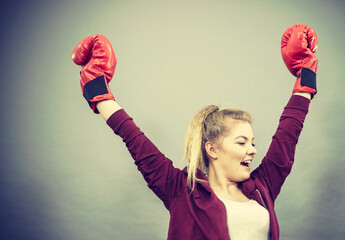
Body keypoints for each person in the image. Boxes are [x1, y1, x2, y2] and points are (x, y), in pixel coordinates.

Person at [71, 24, 318, 240]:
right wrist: (97, 89)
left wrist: (305, 73)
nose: (253, 150)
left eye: (252, 142)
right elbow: (134, 138)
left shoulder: (262, 187)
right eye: (242, 142)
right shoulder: (181, 190)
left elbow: (288, 134)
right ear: (212, 149)